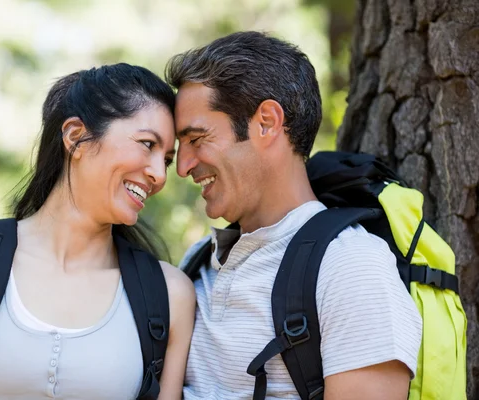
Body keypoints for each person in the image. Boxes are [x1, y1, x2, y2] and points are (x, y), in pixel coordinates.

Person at [0, 63, 195, 400]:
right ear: (75, 136)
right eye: (147, 144)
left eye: (167, 160)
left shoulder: (170, 294)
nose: (159, 174)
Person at [165, 31, 423, 399]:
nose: (183, 165)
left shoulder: (351, 268)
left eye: (196, 138)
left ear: (267, 122)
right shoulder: (198, 262)